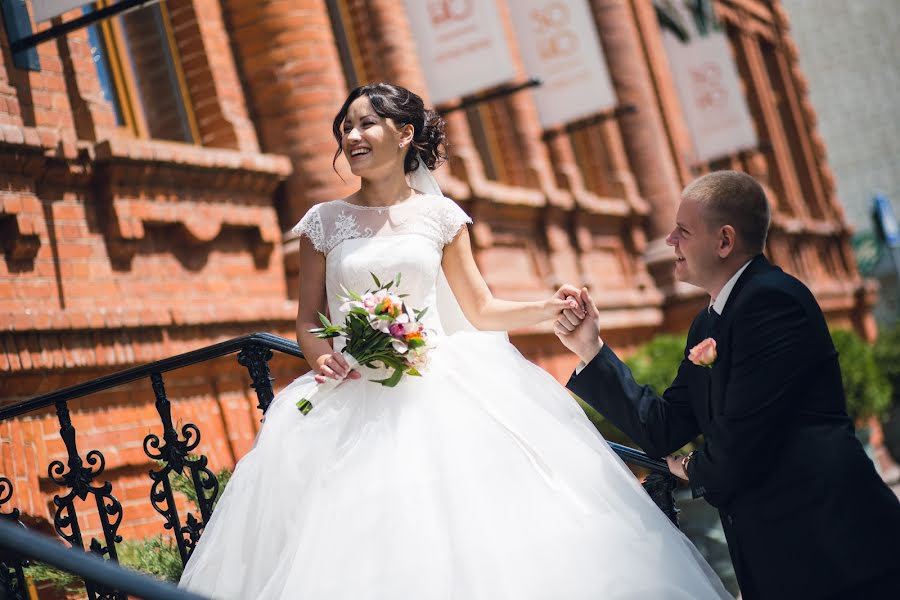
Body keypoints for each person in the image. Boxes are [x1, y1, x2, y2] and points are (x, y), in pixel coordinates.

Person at [178, 82, 730, 599]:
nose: (351, 137)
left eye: (366, 123)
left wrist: (550, 307)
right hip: (350, 397)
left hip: (439, 388)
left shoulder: (442, 216)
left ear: (405, 133)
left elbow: (480, 307)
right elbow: (307, 318)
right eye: (344, 127)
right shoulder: (325, 222)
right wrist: (321, 358)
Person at [557, 171, 900, 600]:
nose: (669, 242)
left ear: (724, 241)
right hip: (781, 564)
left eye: (682, 231)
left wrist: (692, 467)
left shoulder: (774, 302)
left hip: (840, 557)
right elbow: (664, 427)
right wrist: (591, 348)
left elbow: (738, 450)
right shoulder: (708, 321)